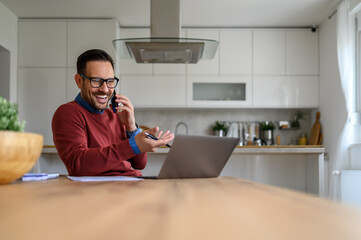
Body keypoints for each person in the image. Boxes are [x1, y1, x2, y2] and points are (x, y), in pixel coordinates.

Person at [52, 49, 174, 176]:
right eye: (96, 81)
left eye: (110, 81)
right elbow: (78, 164)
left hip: (131, 184)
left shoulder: (116, 115)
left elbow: (139, 164)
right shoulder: (68, 113)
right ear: (79, 81)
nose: (105, 89)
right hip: (102, 190)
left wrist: (131, 127)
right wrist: (133, 144)